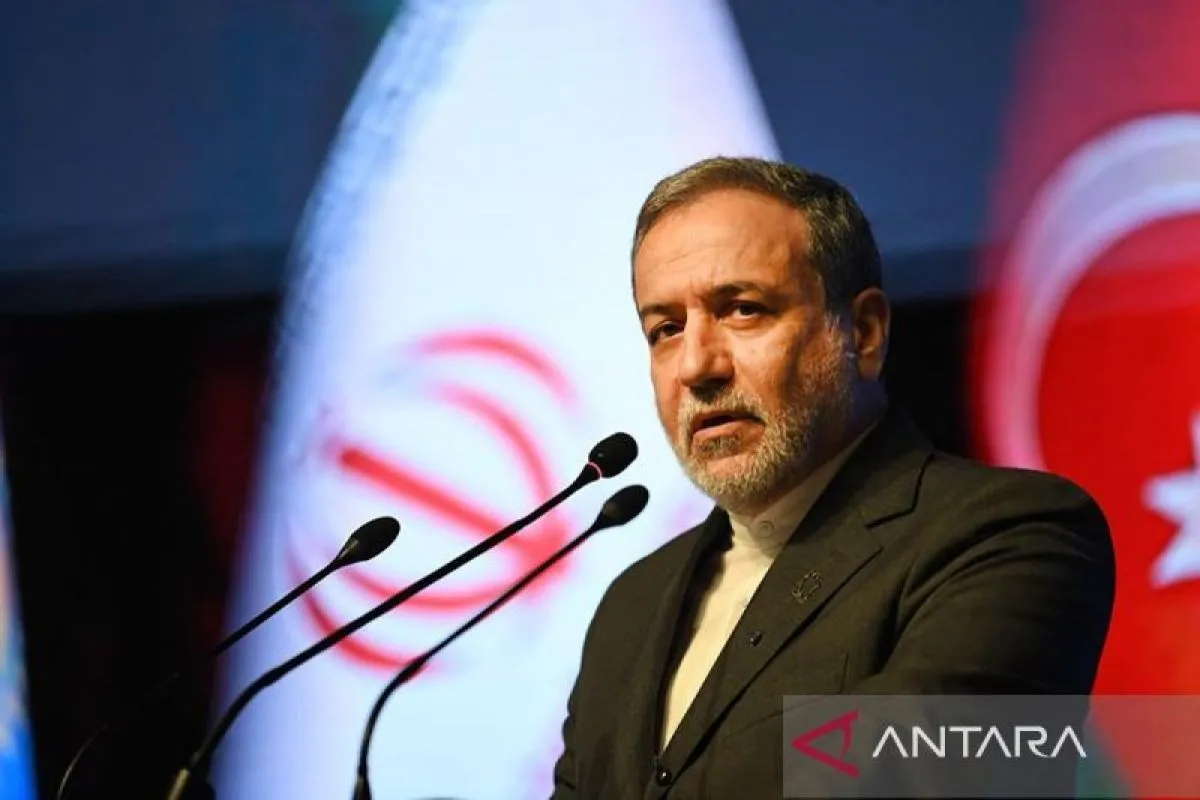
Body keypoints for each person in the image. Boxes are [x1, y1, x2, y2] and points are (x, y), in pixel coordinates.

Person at [549, 156, 1115, 798]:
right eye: (666, 329)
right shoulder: (633, 605)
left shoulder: (1007, 534)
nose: (696, 366)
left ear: (864, 333)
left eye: (743, 309)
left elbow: (899, 777)